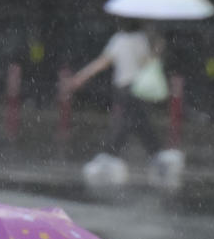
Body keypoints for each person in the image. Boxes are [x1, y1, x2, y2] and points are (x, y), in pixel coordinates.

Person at [67, 18, 165, 161]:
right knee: (136, 122)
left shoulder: (118, 39)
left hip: (122, 88)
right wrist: (157, 49)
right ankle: (153, 154)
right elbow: (147, 63)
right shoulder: (142, 39)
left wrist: (81, 77)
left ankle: (113, 154)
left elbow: (102, 62)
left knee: (133, 121)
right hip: (137, 88)